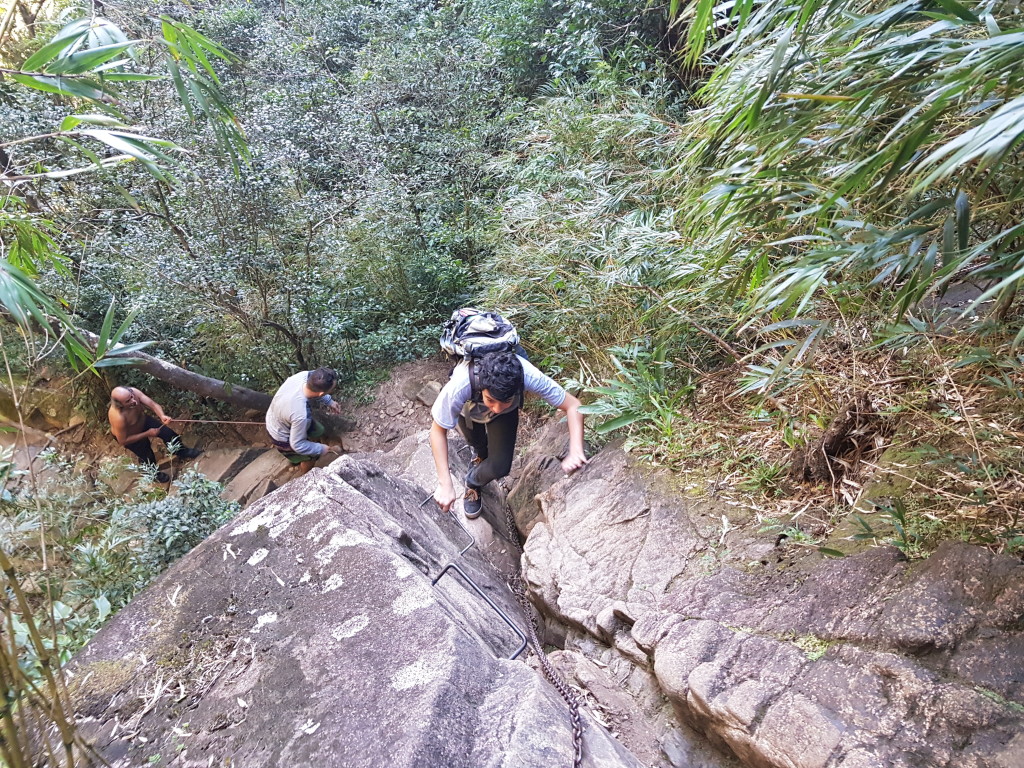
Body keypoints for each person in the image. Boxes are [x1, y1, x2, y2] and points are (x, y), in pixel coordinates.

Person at [430, 350, 587, 519]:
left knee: (500, 466)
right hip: (468, 409)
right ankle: (479, 455)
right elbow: (438, 430)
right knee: (475, 442)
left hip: (506, 414)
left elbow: (573, 405)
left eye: (505, 400)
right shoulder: (461, 384)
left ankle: (472, 481)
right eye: (490, 399)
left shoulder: (527, 375)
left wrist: (576, 450)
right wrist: (445, 483)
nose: (496, 408)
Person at [108, 386, 202, 483]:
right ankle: (153, 474)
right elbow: (123, 440)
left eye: (131, 396)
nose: (133, 400)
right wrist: (147, 433)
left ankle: (181, 451)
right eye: (128, 401)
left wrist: (162, 415)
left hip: (144, 421)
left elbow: (152, 404)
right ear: (120, 405)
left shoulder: (134, 392)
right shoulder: (118, 417)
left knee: (169, 434)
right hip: (131, 436)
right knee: (147, 456)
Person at [265, 367, 342, 475]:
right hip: (280, 435)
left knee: (319, 430)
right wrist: (321, 449)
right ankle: (305, 475)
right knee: (310, 458)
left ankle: (309, 444)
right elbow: (297, 445)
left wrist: (330, 402)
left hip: (280, 416)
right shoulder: (301, 415)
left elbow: (316, 389)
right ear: (321, 393)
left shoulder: (303, 376)